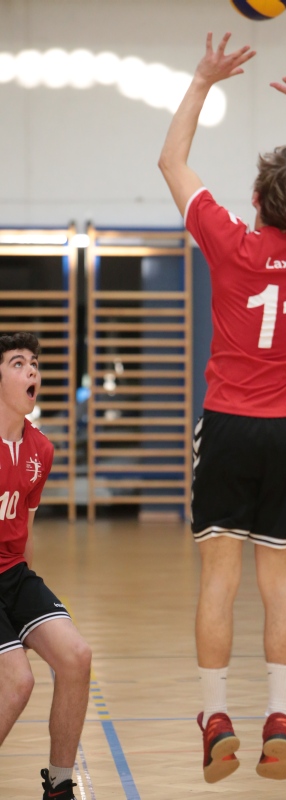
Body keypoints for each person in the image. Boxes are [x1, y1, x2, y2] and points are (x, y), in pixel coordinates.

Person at [159, 32, 286, 783]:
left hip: (227, 427)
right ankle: (281, 715)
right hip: (285, 433)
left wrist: (203, 79)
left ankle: (216, 717)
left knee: (219, 580)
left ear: (254, 201)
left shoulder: (231, 243)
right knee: (281, 581)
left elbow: (172, 162)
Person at [0, 332, 92, 800]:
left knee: (76, 657)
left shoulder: (41, 451)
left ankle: (58, 787)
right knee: (18, 681)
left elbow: (26, 533)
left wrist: (24, 615)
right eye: (17, 363)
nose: (31, 370)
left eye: (34, 363)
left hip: (13, 575)